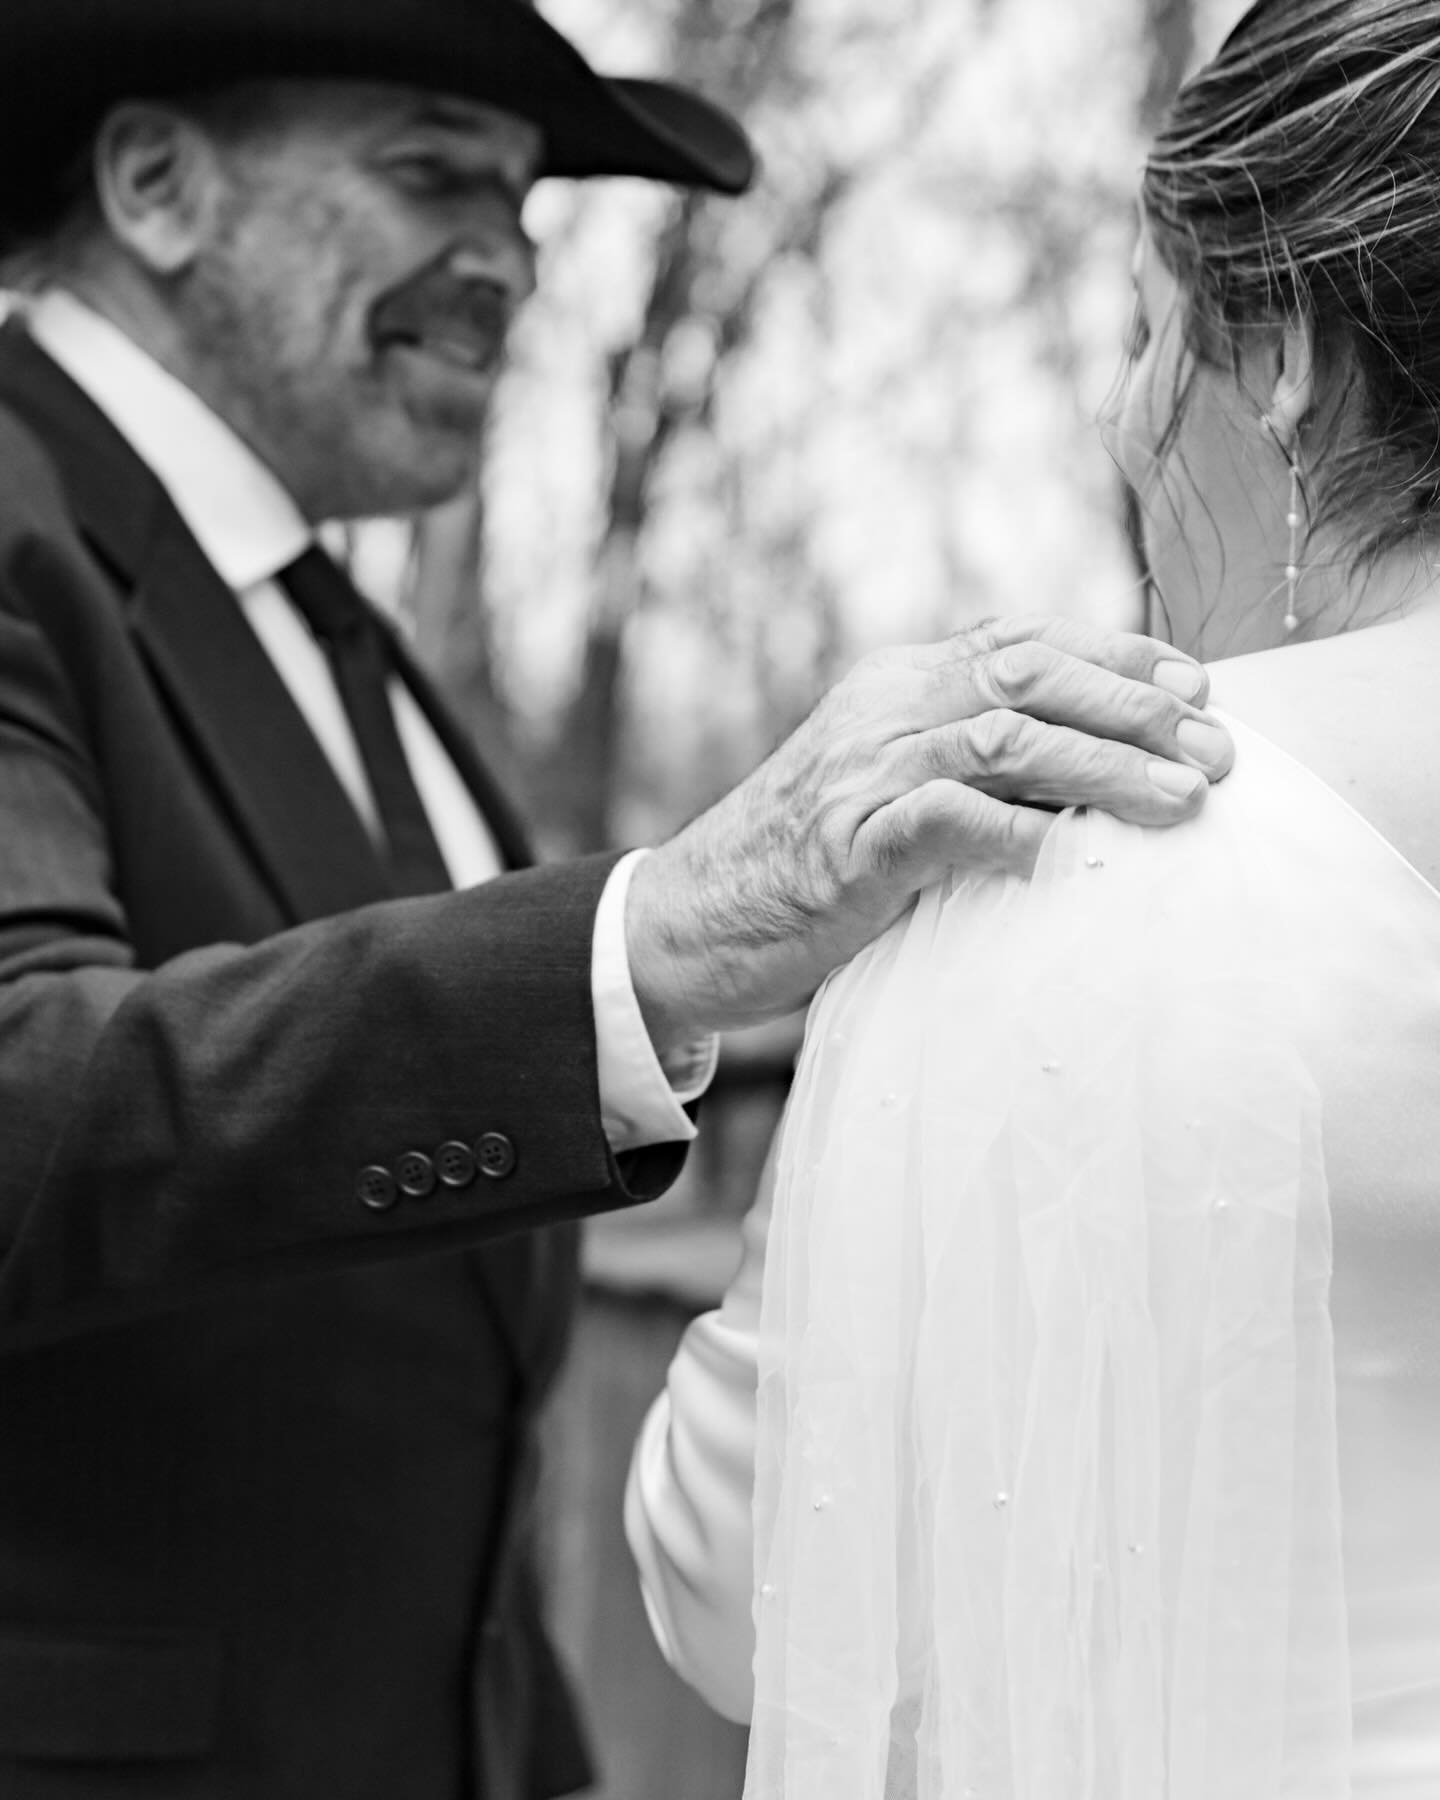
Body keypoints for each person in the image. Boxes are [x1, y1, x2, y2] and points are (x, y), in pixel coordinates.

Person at [0, 0, 1236, 1795]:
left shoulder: (333, 638)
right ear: (156, 185)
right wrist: (666, 928)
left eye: (523, 207)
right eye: (432, 173)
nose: (507, 262)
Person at [625, 2, 1440, 1795]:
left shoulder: (1069, 849)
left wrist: (836, 1126)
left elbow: (739, 1584)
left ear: (1284, 352)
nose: (1123, 415)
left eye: (1149, 331)